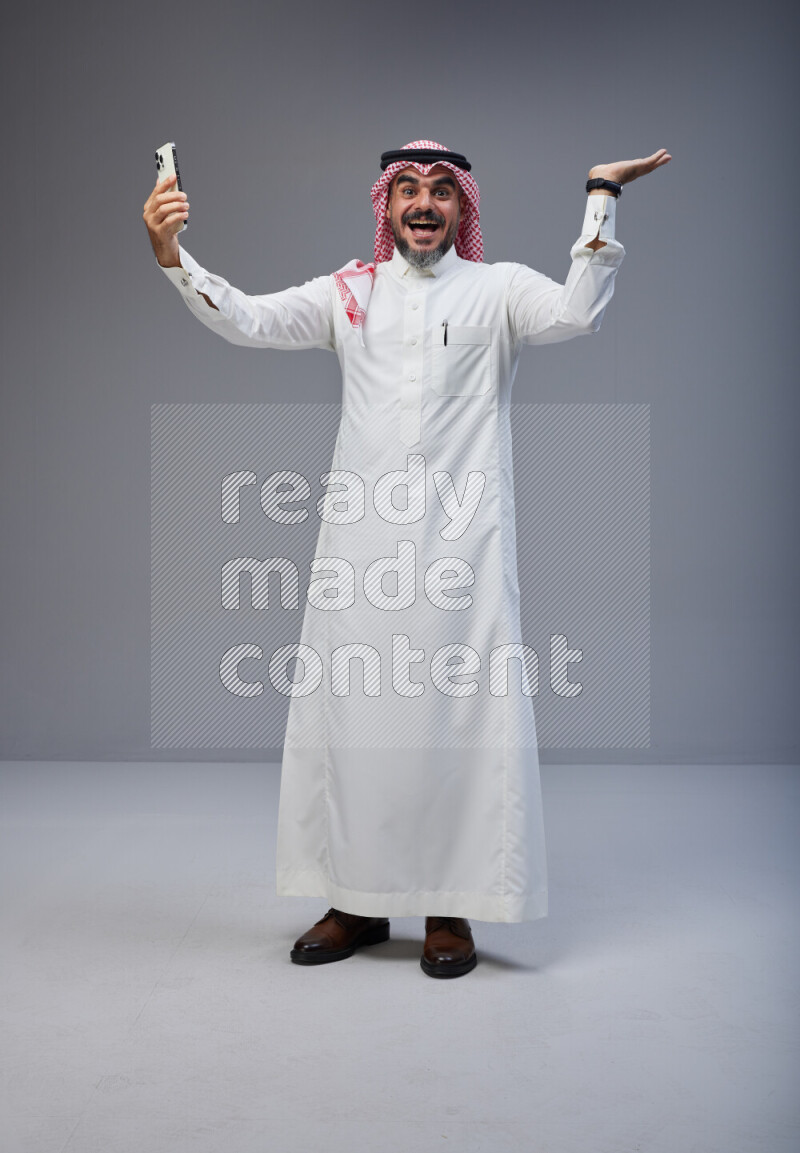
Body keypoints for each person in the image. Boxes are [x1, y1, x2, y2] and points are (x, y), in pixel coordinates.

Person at [143, 139, 671, 979]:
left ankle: (447, 907)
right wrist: (172, 254)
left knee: (456, 723)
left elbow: (578, 311)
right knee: (356, 721)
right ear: (386, 207)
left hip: (465, 550)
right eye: (408, 191)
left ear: (463, 209)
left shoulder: (499, 291)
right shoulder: (348, 293)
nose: (424, 204)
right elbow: (246, 316)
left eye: (440, 192)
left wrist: (601, 195)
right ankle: (354, 900)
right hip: (361, 549)